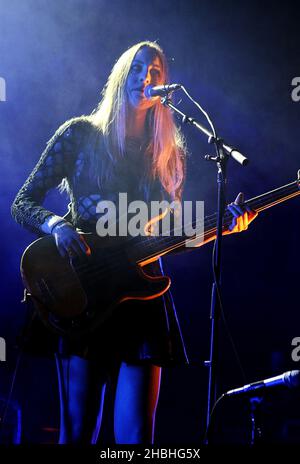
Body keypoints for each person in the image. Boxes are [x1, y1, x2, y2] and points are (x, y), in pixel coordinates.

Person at [11, 41, 257, 444]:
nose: (146, 77)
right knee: (77, 433)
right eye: (139, 67)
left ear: (163, 85)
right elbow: (23, 202)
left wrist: (222, 227)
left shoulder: (165, 154)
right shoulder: (79, 134)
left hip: (141, 294)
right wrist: (56, 224)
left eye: (155, 71)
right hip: (83, 287)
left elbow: (168, 238)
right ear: (121, 74)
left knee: (137, 437)